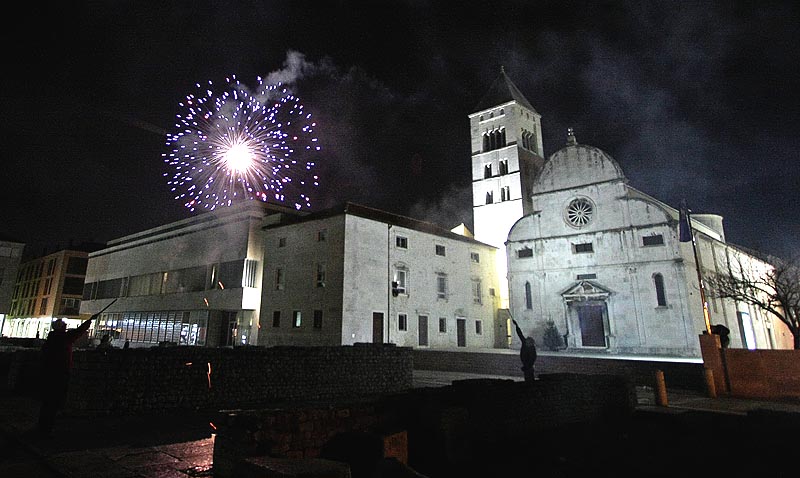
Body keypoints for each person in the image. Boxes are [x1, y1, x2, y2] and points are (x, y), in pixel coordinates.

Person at [38, 313, 99, 436]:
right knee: (54, 401)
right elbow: (78, 332)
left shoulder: (52, 338)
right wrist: (89, 321)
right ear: (60, 327)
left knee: (48, 402)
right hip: (60, 372)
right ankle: (47, 429)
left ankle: (43, 426)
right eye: (64, 324)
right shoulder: (62, 338)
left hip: (50, 373)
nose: (66, 325)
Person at [512, 318, 537, 383]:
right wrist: (516, 325)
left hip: (528, 366)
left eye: (527, 341)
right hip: (526, 364)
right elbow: (520, 334)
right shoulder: (525, 343)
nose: (526, 341)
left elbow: (532, 358)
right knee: (528, 377)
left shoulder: (532, 348)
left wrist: (527, 366)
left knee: (530, 378)